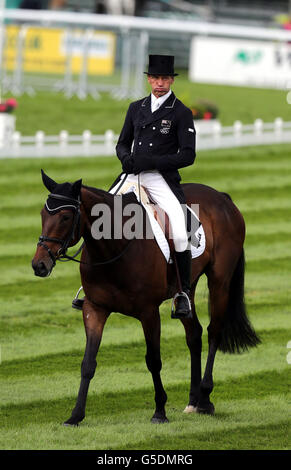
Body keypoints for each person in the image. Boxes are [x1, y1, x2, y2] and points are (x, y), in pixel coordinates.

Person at [111, 54, 196, 318]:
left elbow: (188, 155)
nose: (159, 83)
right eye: (155, 78)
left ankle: (183, 294)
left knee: (181, 233)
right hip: (133, 175)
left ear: (171, 80)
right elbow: (122, 142)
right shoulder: (135, 108)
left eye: (164, 79)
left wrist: (154, 161)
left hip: (161, 178)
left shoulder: (181, 112)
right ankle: (90, 284)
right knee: (100, 215)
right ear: (149, 79)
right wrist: (125, 158)